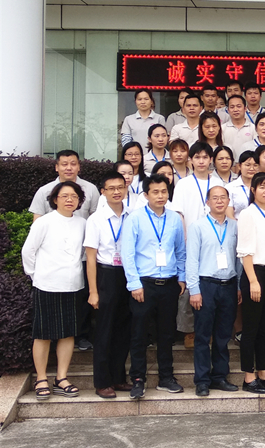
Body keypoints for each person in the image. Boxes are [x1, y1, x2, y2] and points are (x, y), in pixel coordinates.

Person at [121, 174, 187, 399]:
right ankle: (138, 378)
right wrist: (134, 284)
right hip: (144, 284)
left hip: (169, 283)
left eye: (164, 191)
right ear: (146, 194)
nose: (160, 196)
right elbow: (128, 253)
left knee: (166, 334)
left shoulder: (175, 219)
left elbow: (180, 251)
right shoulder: (135, 218)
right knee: (139, 334)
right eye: (155, 192)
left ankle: (166, 377)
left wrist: (181, 277)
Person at [23, 181, 87, 401]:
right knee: (43, 333)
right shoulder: (44, 222)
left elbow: (83, 253)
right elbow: (28, 251)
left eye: (74, 196)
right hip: (46, 284)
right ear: (55, 199)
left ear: (79, 201)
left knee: (68, 332)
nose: (69, 200)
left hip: (73, 285)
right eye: (64, 196)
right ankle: (41, 378)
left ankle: (61, 378)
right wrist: (36, 276)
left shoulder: (82, 223)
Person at [186, 186, 241, 396]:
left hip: (229, 285)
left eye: (223, 198)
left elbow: (239, 259)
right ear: (207, 202)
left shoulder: (235, 226)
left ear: (228, 201)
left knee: (223, 335)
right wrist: (194, 289)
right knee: (202, 335)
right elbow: (192, 259)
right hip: (205, 285)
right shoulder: (197, 226)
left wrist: (238, 286)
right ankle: (202, 380)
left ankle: (219, 376)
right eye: (215, 198)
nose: (219, 201)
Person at [84, 172, 132, 398]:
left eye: (120, 187)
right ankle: (102, 381)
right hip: (106, 275)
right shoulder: (96, 219)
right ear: (102, 192)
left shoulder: (132, 215)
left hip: (128, 275)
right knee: (104, 330)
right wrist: (93, 291)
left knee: (124, 329)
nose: (116, 192)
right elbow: (90, 257)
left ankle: (119, 378)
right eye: (111, 188)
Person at [172, 142, 225, 347]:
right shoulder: (183, 184)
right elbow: (179, 214)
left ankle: (210, 328)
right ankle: (189, 330)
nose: (201, 161)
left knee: (211, 285)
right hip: (191, 240)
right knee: (189, 286)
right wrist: (185, 239)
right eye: (197, 157)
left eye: (205, 157)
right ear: (190, 160)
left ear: (211, 160)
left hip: (214, 241)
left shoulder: (218, 182)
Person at [236, 173, 265, 394]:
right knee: (251, 328)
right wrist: (253, 281)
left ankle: (264, 373)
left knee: (264, 328)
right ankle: (249, 377)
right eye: (262, 187)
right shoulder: (248, 214)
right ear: (253, 190)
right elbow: (245, 251)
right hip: (255, 273)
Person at [30, 149, 100, 221]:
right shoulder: (44, 191)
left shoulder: (91, 189)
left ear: (78, 167)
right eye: (64, 164)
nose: (69, 168)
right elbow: (37, 220)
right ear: (57, 167)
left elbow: (96, 218)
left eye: (73, 164)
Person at [226, 151, 259, 219]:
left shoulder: (262, 187)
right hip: (237, 223)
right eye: (247, 165)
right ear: (239, 166)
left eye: (255, 165)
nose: (251, 168)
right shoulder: (230, 187)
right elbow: (229, 214)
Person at [222, 95, 256, 160]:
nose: (235, 110)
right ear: (228, 110)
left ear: (245, 109)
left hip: (247, 163)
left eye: (239, 106)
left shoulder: (253, 128)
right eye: (232, 107)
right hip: (227, 163)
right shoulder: (222, 128)